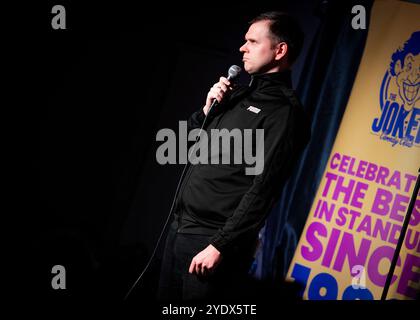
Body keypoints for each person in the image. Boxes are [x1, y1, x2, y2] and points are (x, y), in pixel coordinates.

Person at [157, 11, 311, 302]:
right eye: (244, 41)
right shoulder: (235, 96)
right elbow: (185, 148)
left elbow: (264, 190)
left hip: (211, 244)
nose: (243, 48)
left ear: (280, 50)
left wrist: (220, 246)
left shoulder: (286, 114)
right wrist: (206, 112)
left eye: (252, 41)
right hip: (180, 230)